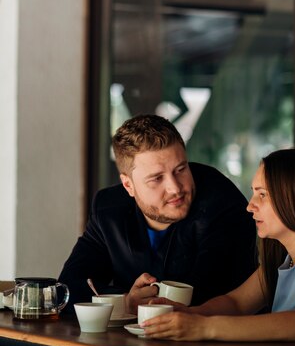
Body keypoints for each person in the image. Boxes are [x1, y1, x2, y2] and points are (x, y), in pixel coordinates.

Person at [142, 148, 295, 341]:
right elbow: (236, 303)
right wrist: (191, 313)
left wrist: (204, 328)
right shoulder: (283, 256)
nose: (250, 206)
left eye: (262, 194)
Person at [58, 114, 257, 313]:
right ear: (128, 185)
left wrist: (129, 303)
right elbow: (68, 289)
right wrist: (125, 301)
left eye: (181, 169)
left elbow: (202, 297)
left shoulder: (221, 203)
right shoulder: (108, 209)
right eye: (157, 178)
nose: (175, 188)